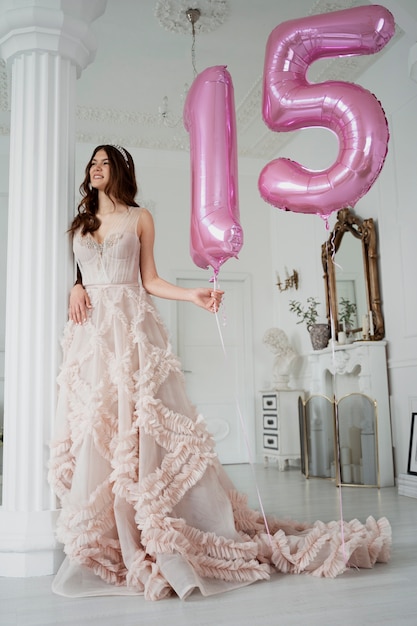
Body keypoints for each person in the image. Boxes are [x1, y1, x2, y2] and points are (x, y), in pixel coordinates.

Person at [49, 144, 391, 602]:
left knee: (138, 430)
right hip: (90, 336)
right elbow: (83, 269)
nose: (95, 169)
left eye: (104, 162)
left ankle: (151, 529)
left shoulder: (139, 218)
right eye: (92, 163)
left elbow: (148, 280)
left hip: (130, 329)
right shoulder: (81, 223)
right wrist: (75, 284)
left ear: (121, 171)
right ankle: (104, 533)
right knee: (96, 430)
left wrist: (192, 296)